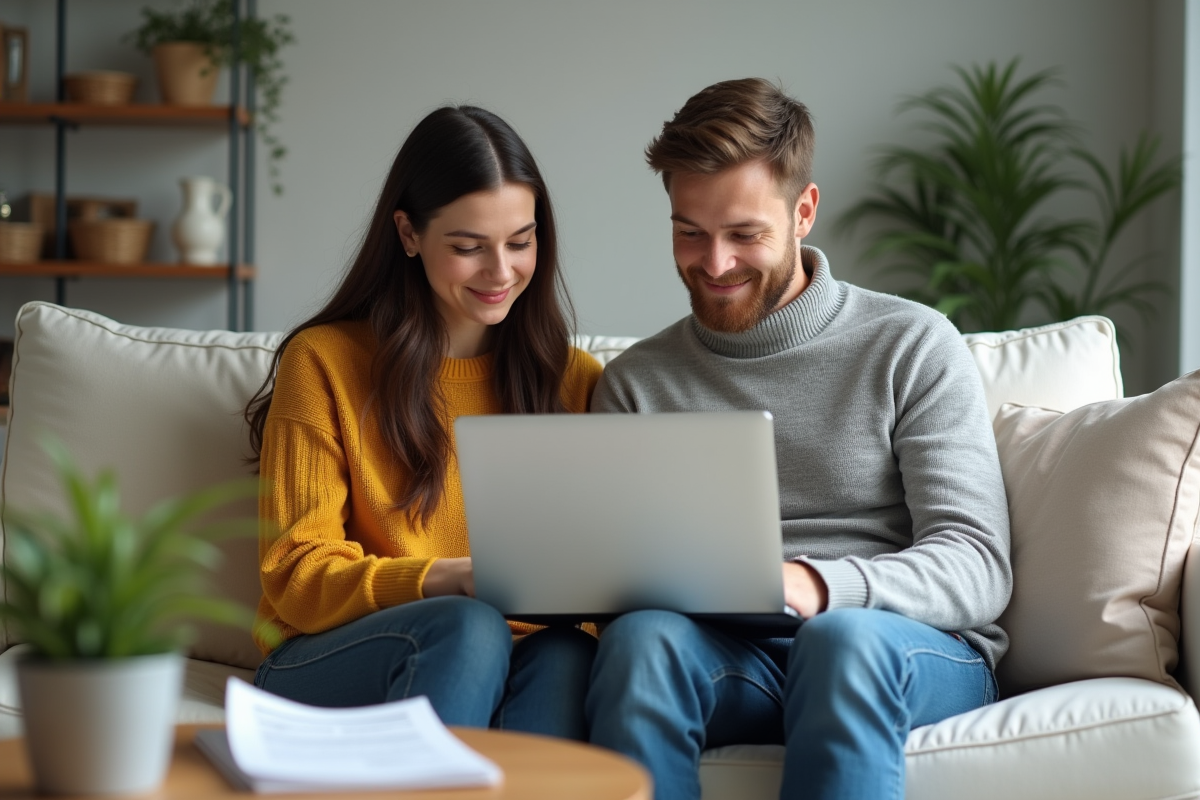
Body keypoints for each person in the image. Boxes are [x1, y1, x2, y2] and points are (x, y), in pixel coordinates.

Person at [585, 78, 1012, 799]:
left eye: (745, 234)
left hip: (896, 647)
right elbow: (609, 578)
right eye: (690, 232)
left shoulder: (910, 344)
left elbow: (977, 564)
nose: (714, 264)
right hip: (735, 657)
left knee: (839, 640)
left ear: (803, 211)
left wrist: (819, 585)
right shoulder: (637, 384)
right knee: (640, 642)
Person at [244, 105, 603, 740]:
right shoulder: (325, 363)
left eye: (520, 242)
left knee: (569, 654)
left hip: (521, 652)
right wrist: (448, 579)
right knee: (468, 627)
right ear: (408, 234)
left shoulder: (576, 380)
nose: (500, 272)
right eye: (468, 247)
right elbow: (296, 575)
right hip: (330, 655)